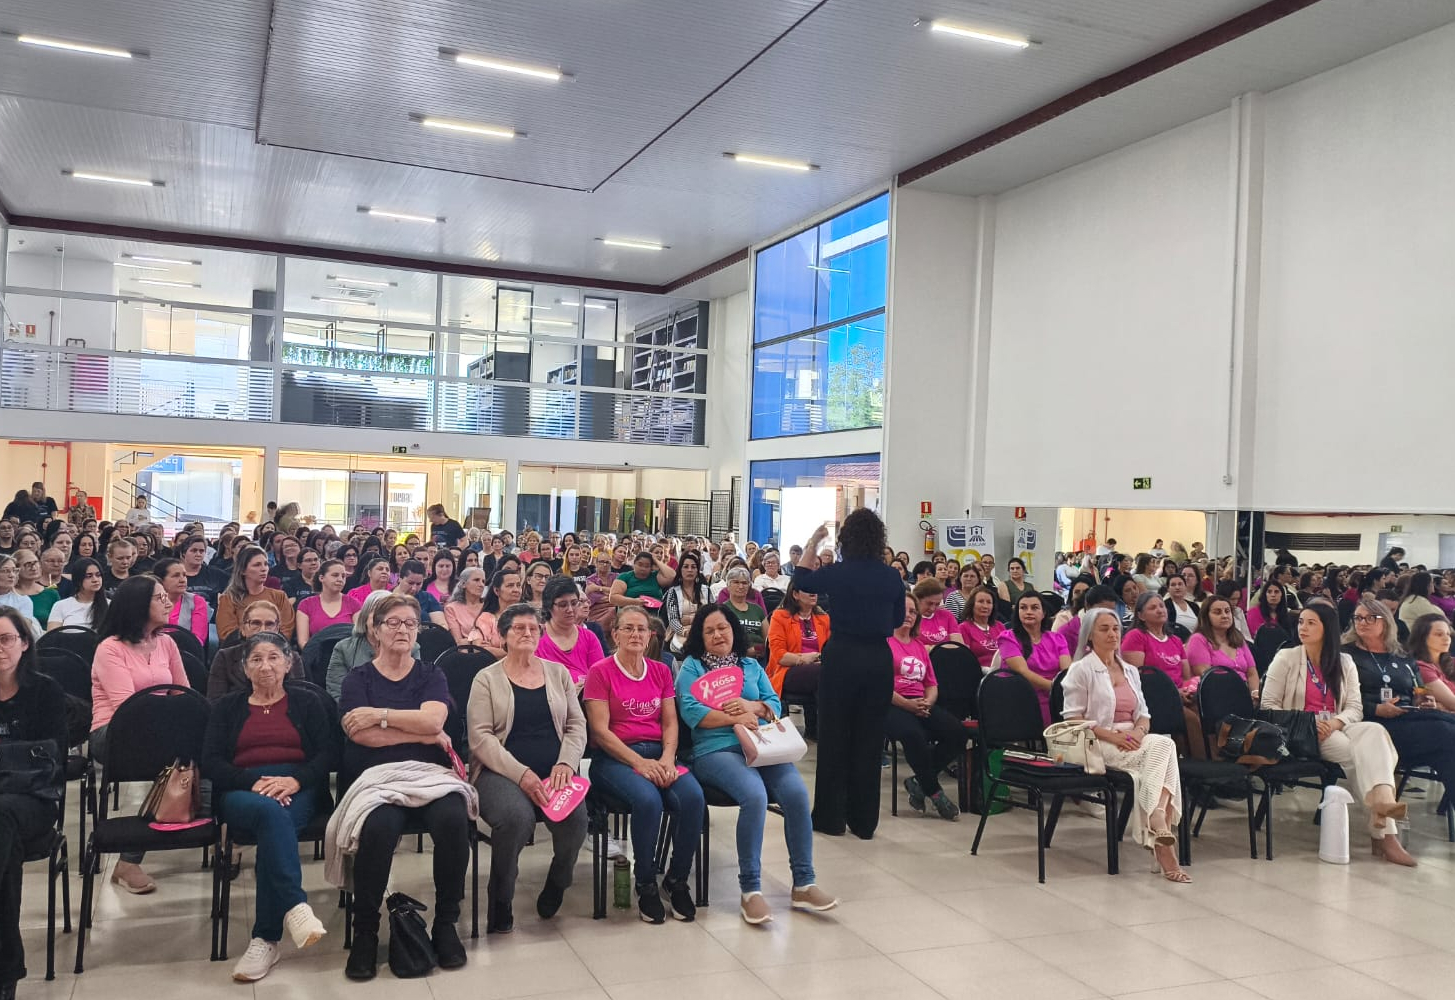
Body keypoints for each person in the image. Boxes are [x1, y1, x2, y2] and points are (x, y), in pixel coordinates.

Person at [337, 594, 472, 980]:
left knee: (452, 819)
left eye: (410, 623)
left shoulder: (431, 674)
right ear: (374, 630)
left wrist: (380, 716)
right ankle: (365, 931)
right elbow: (361, 738)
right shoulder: (357, 678)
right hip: (377, 777)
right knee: (378, 828)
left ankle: (445, 923)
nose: (403, 630)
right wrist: (421, 731)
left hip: (428, 775)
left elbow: (433, 722)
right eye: (393, 623)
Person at [676, 606, 837, 924]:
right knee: (755, 796)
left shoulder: (750, 665)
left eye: (722, 628)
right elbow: (692, 713)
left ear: (733, 630)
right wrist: (734, 717)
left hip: (762, 746)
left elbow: (774, 703)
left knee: (796, 794)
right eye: (709, 631)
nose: (718, 635)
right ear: (700, 637)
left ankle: (804, 882)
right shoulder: (692, 668)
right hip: (716, 750)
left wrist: (754, 705)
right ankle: (750, 890)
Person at [201, 633, 333, 982]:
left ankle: (266, 939)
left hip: (298, 785)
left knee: (276, 827)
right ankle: (295, 905)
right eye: (256, 659)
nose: (265, 666)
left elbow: (327, 755)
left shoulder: (307, 702)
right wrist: (253, 783)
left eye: (274, 657)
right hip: (244, 787)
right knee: (272, 815)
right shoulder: (227, 707)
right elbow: (211, 761)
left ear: (289, 663)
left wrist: (296, 781)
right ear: (245, 668)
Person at [1261, 602, 1413, 865]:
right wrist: (1309, 722)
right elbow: (1268, 707)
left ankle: (1381, 809)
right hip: (1301, 733)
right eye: (1301, 622)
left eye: (1311, 623)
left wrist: (1335, 723)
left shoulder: (1344, 662)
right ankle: (1385, 834)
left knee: (1375, 732)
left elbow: (1354, 707)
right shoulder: (1286, 658)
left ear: (1327, 628)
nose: (1303, 628)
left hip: (1336, 726)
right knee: (1365, 755)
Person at [466, 603, 587, 935]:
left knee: (576, 822)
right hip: (499, 772)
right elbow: (480, 739)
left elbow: (577, 725)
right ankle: (501, 896)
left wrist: (566, 762)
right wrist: (521, 773)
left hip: (555, 770)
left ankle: (558, 882)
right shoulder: (486, 679)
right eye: (518, 628)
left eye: (533, 628)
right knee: (516, 818)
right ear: (503, 635)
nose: (527, 633)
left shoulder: (557, 673)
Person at [583, 607, 704, 923]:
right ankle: (645, 882)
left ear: (651, 636)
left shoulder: (661, 670)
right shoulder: (601, 671)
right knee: (648, 800)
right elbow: (599, 731)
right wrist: (640, 763)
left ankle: (676, 880)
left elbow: (670, 723)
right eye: (629, 629)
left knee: (693, 799)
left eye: (642, 629)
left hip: (658, 754)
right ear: (616, 634)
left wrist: (666, 759)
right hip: (614, 758)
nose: (636, 635)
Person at [792, 513, 904, 839]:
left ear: (846, 540)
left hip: (842, 656)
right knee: (870, 739)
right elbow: (897, 618)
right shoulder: (891, 577)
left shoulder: (838, 573)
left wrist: (814, 542)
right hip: (878, 659)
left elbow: (802, 581)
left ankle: (830, 817)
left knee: (834, 735)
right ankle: (864, 822)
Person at [1062, 608, 1190, 883]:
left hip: (1134, 737)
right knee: (1164, 749)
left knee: (1162, 744)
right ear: (1089, 636)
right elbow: (1072, 720)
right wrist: (1114, 736)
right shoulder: (1080, 670)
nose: (1112, 634)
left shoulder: (1130, 670)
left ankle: (1157, 821)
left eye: (1116, 628)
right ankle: (1162, 839)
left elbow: (1143, 712)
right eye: (1104, 629)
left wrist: (1139, 730)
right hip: (1098, 741)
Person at [91, 575, 190, 894]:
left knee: (204, 752)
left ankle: (222, 836)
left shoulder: (167, 643)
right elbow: (126, 709)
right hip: (113, 733)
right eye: (159, 597)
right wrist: (173, 725)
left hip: (159, 729)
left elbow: (183, 694)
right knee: (175, 755)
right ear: (137, 605)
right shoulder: (110, 648)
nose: (167, 602)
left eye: (166, 597)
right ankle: (128, 860)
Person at [1341, 594, 1455, 850]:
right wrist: (1376, 708)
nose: (1363, 623)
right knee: (1445, 732)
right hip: (1372, 723)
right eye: (1358, 618)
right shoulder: (1345, 655)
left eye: (1371, 618)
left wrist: (1424, 702)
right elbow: (1340, 698)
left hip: (1410, 718)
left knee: (1448, 744)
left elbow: (1416, 689)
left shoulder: (1402, 656)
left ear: (1387, 622)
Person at [0, 604, 67, 999]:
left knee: (3, 812)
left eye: (6, 639)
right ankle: (6, 973)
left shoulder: (45, 691)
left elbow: (51, 758)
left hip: (35, 802)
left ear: (24, 643)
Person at [885, 594, 965, 821]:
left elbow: (931, 683)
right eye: (904, 610)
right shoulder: (884, 642)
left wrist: (927, 702)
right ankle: (934, 792)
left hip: (921, 702)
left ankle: (918, 781)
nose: (908, 615)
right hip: (893, 703)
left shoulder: (919, 646)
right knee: (913, 735)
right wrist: (909, 705)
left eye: (912, 611)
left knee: (957, 732)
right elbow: (880, 686)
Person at [765, 575, 828, 738]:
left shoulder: (824, 618)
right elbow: (779, 656)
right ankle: (828, 732)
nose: (814, 593)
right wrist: (804, 659)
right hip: (787, 670)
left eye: (815, 590)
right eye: (808, 590)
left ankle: (825, 730)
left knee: (830, 673)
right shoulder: (780, 617)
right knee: (824, 673)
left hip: (819, 669)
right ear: (795, 594)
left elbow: (830, 649)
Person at [206, 600, 304, 700]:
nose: (262, 630)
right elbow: (215, 702)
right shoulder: (225, 657)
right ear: (243, 629)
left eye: (269, 624)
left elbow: (300, 700)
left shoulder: (293, 658)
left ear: (277, 629)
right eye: (255, 623)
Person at [997, 592, 1070, 724]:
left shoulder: (1057, 639)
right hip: (1022, 697)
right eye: (1023, 608)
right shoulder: (1007, 638)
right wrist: (1057, 689)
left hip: (1056, 696)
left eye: (1035, 608)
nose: (1028, 612)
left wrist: (1063, 690)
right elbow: (1023, 673)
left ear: (1043, 613)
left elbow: (1067, 672)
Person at [535, 577, 605, 687]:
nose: (570, 609)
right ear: (548, 607)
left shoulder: (589, 637)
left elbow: (600, 677)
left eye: (574, 603)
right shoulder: (536, 639)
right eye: (563, 605)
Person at [217, 545, 295, 641]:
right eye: (257, 565)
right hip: (241, 650)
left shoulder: (279, 596)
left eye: (266, 564)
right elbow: (226, 633)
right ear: (242, 570)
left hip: (274, 648)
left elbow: (286, 630)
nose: (264, 569)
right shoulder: (229, 599)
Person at [1186, 596, 1258, 697]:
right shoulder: (1198, 639)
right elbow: (1207, 676)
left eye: (1227, 611)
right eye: (1217, 612)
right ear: (1206, 616)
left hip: (1245, 693)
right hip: (1218, 695)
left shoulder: (1238, 638)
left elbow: (1252, 673)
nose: (1224, 616)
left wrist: (1254, 693)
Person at [1120, 594, 1190, 686]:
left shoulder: (1176, 640)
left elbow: (1186, 677)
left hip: (1180, 694)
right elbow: (1137, 677)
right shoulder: (1136, 636)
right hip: (1153, 694)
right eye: (1152, 608)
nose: (1160, 610)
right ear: (1141, 616)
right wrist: (1176, 692)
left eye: (1162, 606)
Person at [294, 559, 359, 648]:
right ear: (321, 578)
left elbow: (358, 637)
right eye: (335, 575)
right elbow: (303, 642)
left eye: (343, 576)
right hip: (317, 656)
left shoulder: (353, 603)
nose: (340, 579)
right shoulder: (306, 605)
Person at [153, 557, 209, 647]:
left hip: (186, 652)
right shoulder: (151, 601)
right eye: (176, 576)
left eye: (184, 575)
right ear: (161, 580)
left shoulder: (196, 601)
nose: (183, 580)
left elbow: (198, 639)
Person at [663, 551, 707, 658]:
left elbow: (713, 614)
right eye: (686, 567)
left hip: (704, 633)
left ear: (697, 570)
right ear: (680, 570)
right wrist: (686, 632)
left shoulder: (706, 591)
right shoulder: (673, 592)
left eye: (693, 567)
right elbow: (673, 620)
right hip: (680, 633)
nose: (690, 570)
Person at [1408, 613, 1455, 711]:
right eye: (1439, 634)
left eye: (1448, 634)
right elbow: (1452, 704)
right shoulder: (1421, 667)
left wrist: (1443, 708)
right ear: (1423, 637)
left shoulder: (1452, 661)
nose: (1447, 639)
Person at [719, 566, 767, 660]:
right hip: (733, 657)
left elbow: (768, 639)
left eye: (744, 583)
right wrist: (745, 652)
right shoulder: (722, 610)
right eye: (736, 582)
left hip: (759, 657)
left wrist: (761, 649)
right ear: (728, 585)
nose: (741, 586)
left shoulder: (757, 610)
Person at [47, 557, 107, 629]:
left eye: (98, 575)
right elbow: (52, 635)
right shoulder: (61, 606)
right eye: (89, 576)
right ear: (78, 580)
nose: (95, 580)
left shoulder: (110, 605)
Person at [958, 585, 1007, 669]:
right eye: (981, 601)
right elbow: (965, 659)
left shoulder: (1000, 626)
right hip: (977, 673)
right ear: (972, 605)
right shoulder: (963, 628)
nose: (985, 606)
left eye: (989, 602)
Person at [609, 550, 676, 609]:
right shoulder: (624, 576)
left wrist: (656, 561)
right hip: (631, 611)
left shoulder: (656, 576)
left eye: (647, 566)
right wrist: (634, 602)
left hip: (655, 613)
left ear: (651, 567)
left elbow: (672, 576)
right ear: (634, 564)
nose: (643, 568)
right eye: (640, 565)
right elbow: (613, 598)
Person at [910, 578, 962, 648]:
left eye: (937, 604)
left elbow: (958, 645)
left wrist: (930, 648)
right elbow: (910, 647)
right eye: (929, 603)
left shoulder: (947, 616)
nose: (932, 608)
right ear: (917, 599)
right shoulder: (911, 617)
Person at [1397, 571, 1445, 636]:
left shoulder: (1414, 599)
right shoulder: (1417, 602)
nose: (1433, 588)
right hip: (1417, 640)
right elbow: (1439, 619)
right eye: (1431, 583)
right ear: (1426, 586)